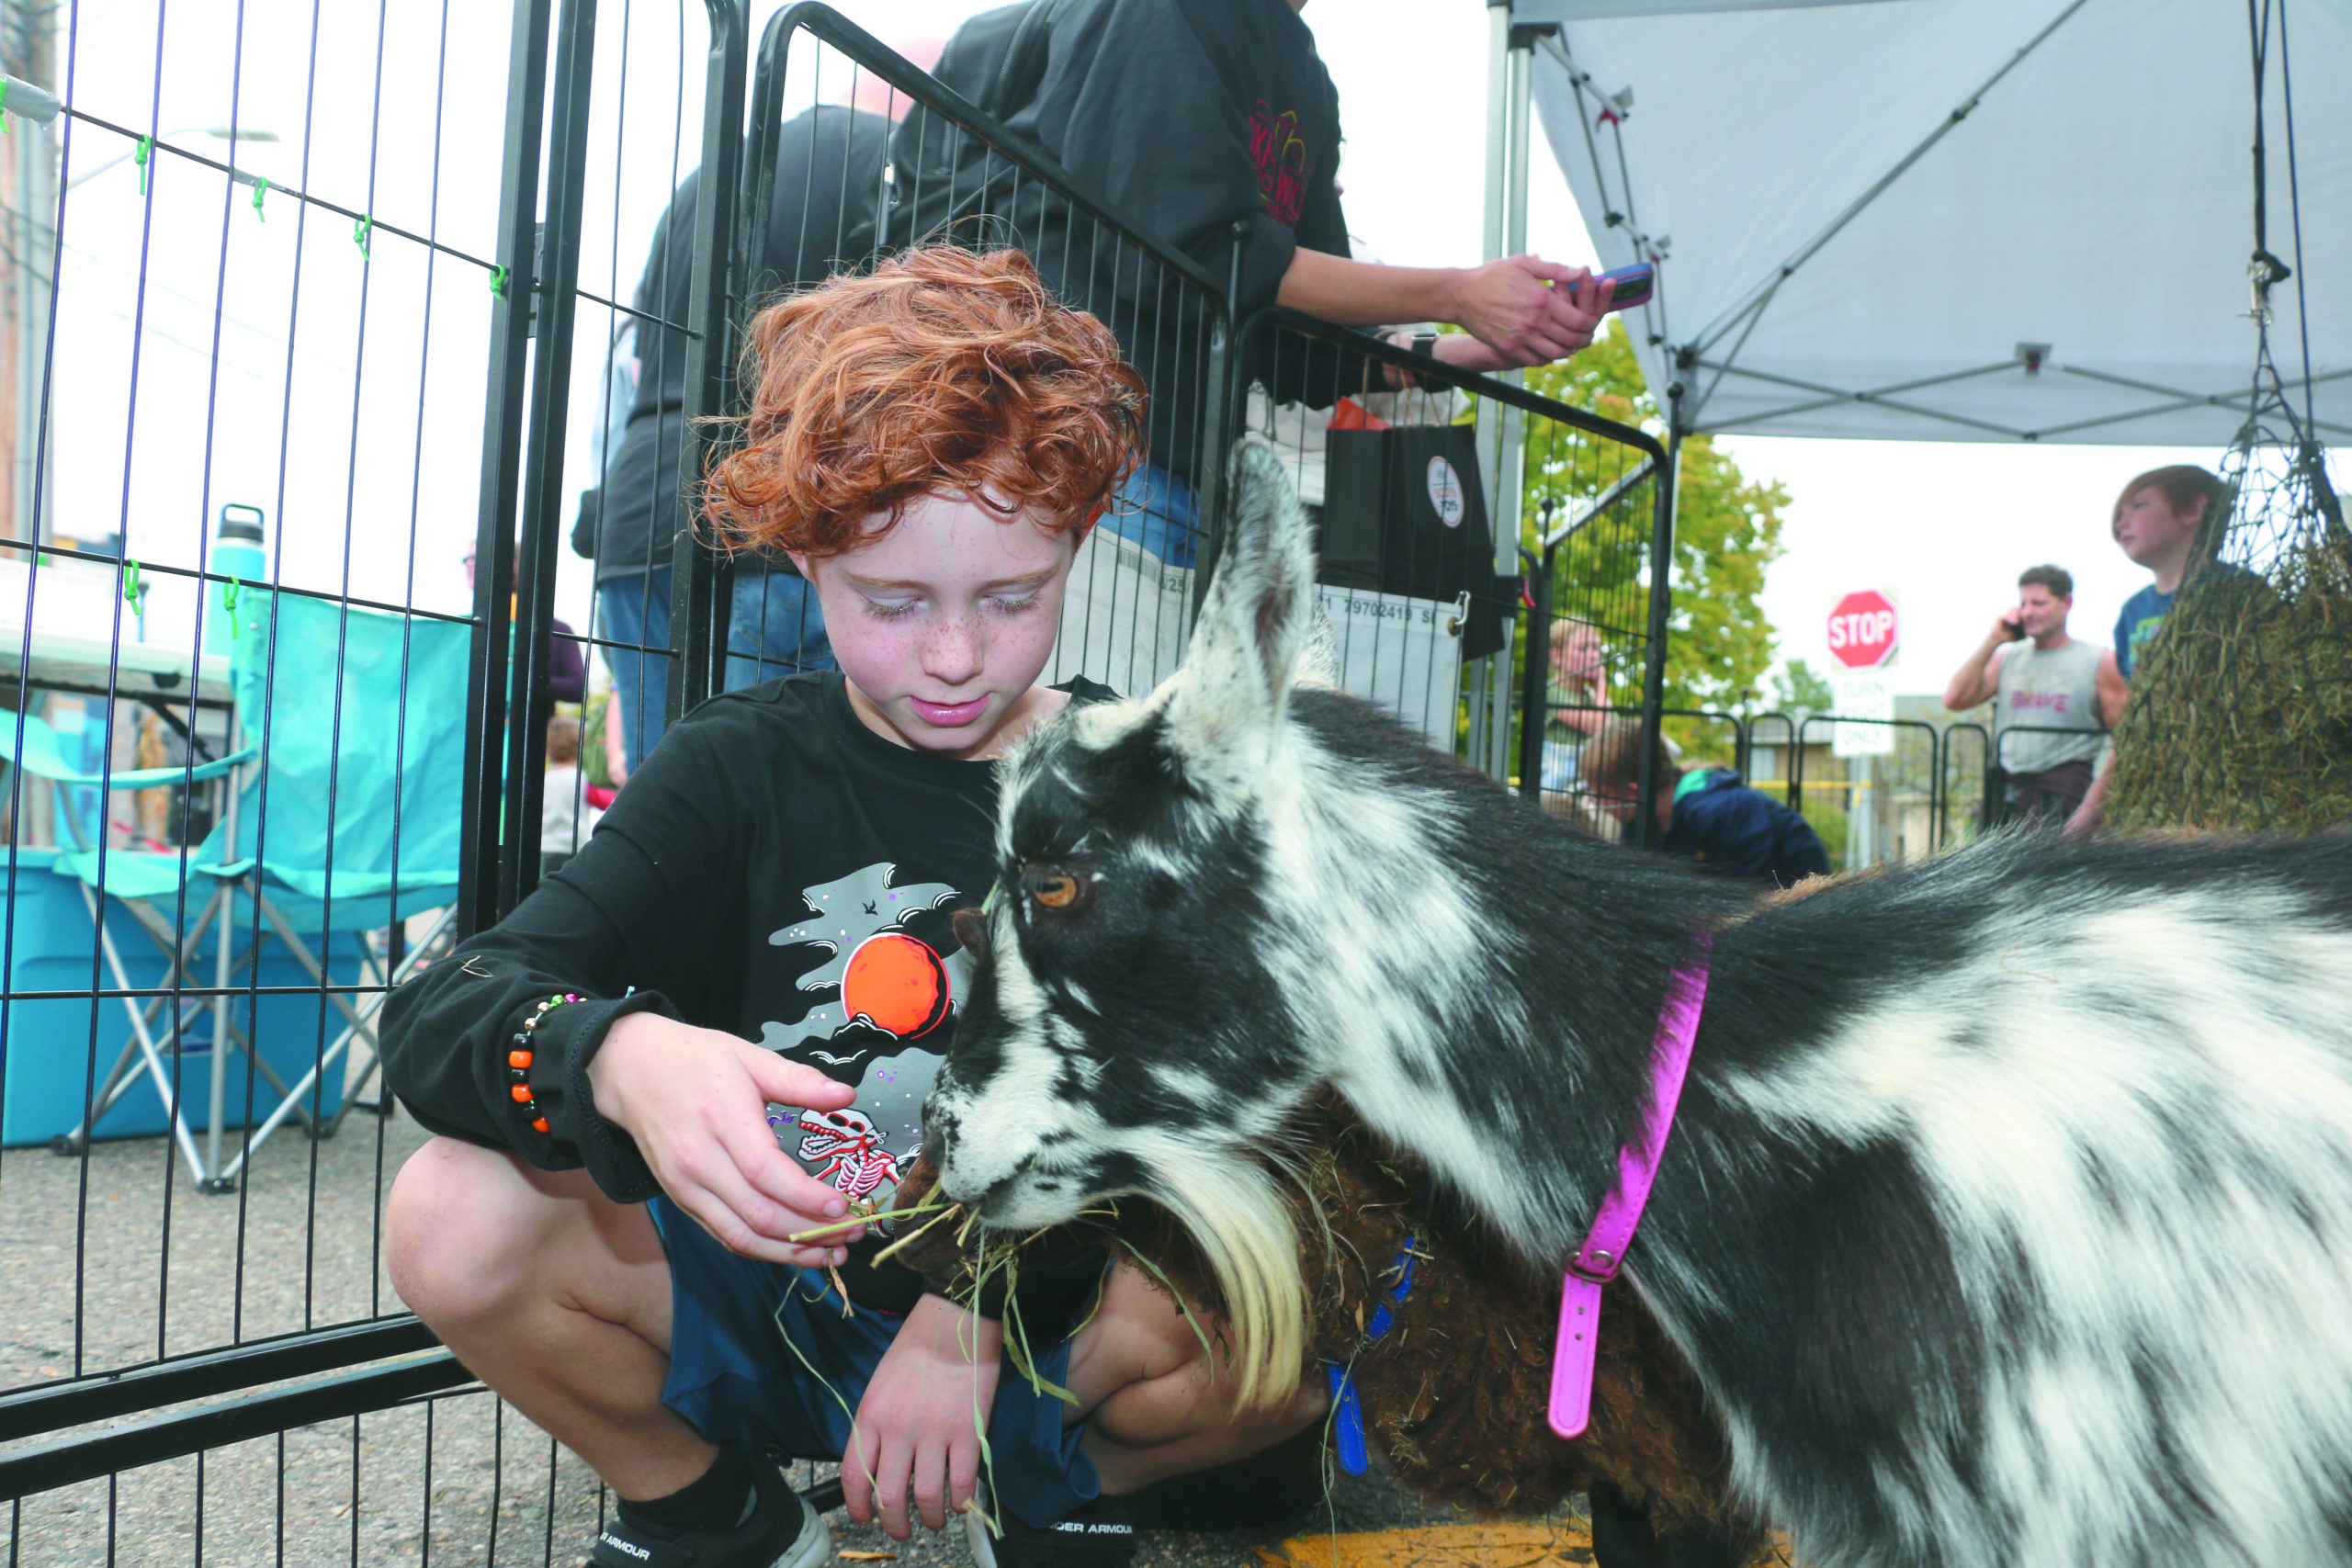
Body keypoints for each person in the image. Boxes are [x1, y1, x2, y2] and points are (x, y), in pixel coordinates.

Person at [379, 248, 1324, 1568]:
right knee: (451, 1211)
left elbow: (1193, 1119)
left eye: (1013, 597)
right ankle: (709, 1506)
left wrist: (969, 1310)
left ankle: (1050, 1482)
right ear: (808, 557)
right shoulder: (737, 764)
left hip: (1051, 1316)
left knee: (1288, 1316)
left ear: (1074, 543)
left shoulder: (1134, 790)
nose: (952, 654)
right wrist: (619, 1054)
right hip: (789, 1289)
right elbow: (440, 1010)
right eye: (893, 602)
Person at [915, 0, 1613, 568]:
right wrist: (1461, 293)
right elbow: (1202, 248)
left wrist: (1488, 343)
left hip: (1180, 480)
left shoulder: (1306, 78)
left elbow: (1305, 343)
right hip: (1051, 450)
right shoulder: (1163, 14)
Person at [2065, 465, 2235, 837]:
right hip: (2151, 795)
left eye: (2138, 506)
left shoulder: (2239, 594)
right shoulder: (2134, 612)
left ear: (2193, 510)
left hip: (2227, 797)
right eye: (2118, 515)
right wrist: (2092, 806)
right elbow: (2135, 718)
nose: (2119, 524)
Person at [1940, 565, 2119, 825]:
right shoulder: (2007, 657)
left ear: (2066, 602)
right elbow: (1955, 699)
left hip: (2066, 796)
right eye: (2023, 603)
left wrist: (2091, 811)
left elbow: (2124, 739)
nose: (2028, 612)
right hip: (2007, 794)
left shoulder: (2099, 660)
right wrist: (1993, 640)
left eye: (2039, 603)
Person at [1584, 721, 1831, 887]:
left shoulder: (1720, 810)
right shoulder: (1638, 823)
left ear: (1631, 791)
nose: (1594, 801)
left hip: (1795, 898)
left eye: (1600, 793)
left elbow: (1752, 892)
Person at [1539, 617, 1609, 798]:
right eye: (1584, 648)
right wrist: (1601, 686)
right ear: (1557, 656)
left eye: (1597, 648)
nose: (1594, 656)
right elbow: (1598, 725)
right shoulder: (1551, 692)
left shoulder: (1592, 697)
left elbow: (1613, 733)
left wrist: (1597, 692)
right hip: (1555, 792)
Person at [540, 713, 602, 874]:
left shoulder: (545, 779)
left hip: (545, 847)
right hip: (573, 847)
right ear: (580, 745)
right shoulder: (581, 779)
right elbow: (604, 800)